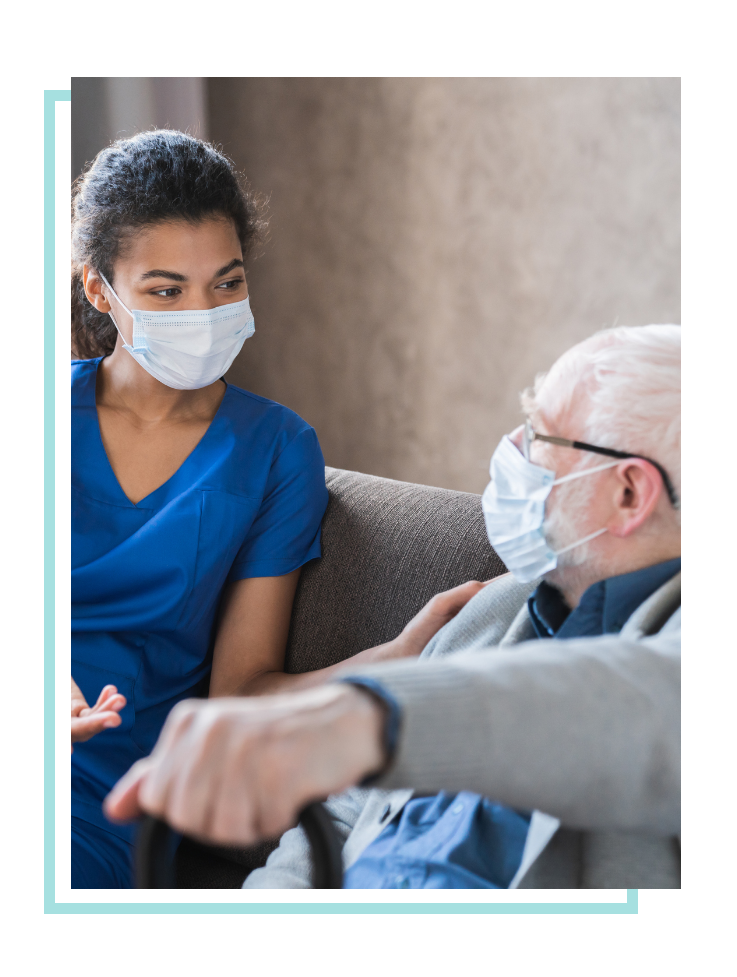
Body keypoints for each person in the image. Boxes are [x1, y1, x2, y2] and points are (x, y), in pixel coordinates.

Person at [105, 324, 681, 889]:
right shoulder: (503, 601)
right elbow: (339, 814)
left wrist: (366, 719)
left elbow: (646, 706)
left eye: (541, 437)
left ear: (628, 493)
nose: (511, 450)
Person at [71, 131, 419, 889]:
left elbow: (243, 691)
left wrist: (400, 656)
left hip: (101, 803)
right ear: (102, 291)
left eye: (225, 283)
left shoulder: (275, 450)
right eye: (166, 290)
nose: (203, 311)